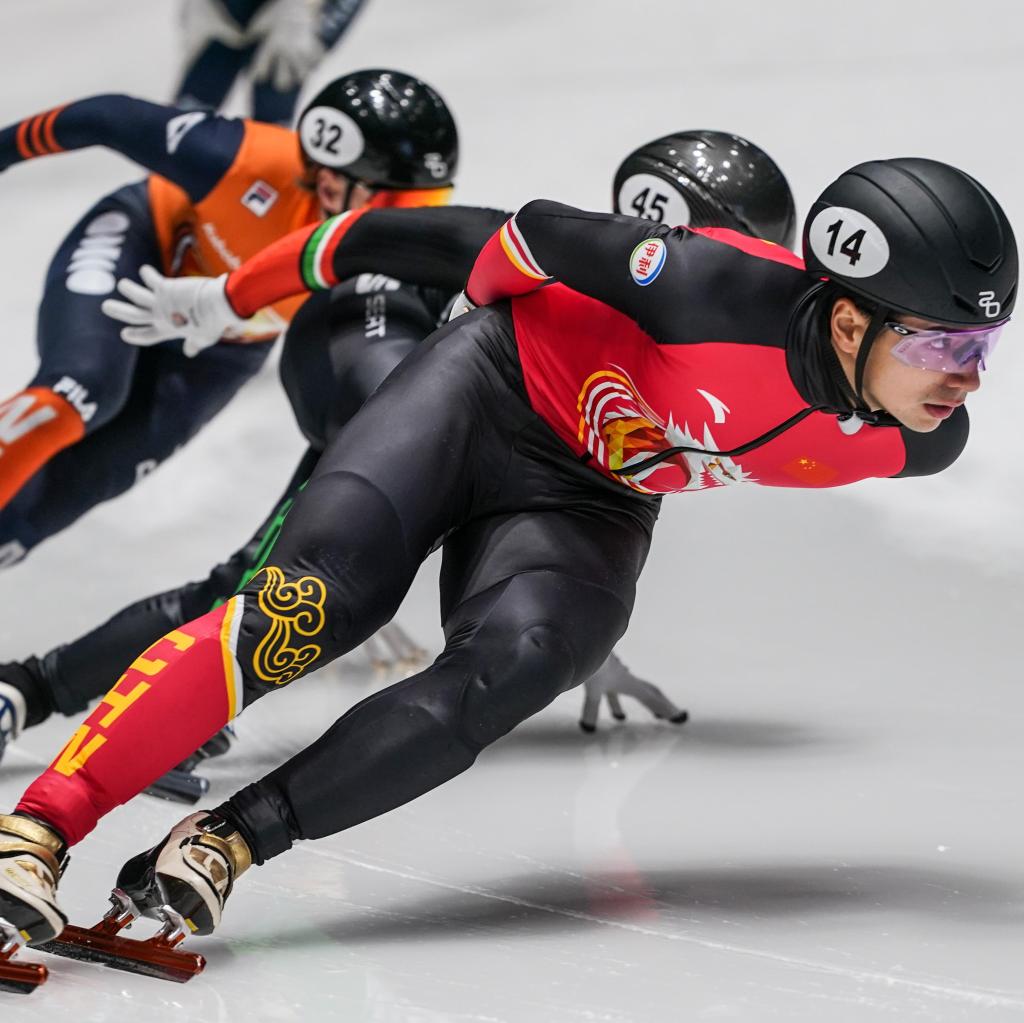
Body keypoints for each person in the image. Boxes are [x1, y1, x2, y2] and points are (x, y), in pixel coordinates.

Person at [0, 154, 1013, 953]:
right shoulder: (710, 284)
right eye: (943, 347)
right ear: (849, 320)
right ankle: (37, 827)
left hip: (592, 492)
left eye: (984, 348)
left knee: (525, 660)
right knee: (308, 610)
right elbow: (507, 234)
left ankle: (230, 837)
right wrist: (239, 292)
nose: (966, 379)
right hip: (483, 392)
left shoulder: (919, 438)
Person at [0, 130, 792, 769]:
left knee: (289, 574)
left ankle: (36, 688)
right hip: (371, 342)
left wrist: (582, 637)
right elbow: (358, 236)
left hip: (407, 362)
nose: (746, 310)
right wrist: (225, 296)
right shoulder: (581, 261)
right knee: (275, 585)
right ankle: (44, 692)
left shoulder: (657, 318)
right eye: (738, 279)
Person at [0, 68, 458, 570]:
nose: (407, 219)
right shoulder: (247, 161)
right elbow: (103, 116)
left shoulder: (398, 248)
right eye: (393, 202)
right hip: (143, 249)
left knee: (70, 491)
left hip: (225, 339)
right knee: (80, 389)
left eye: (425, 203)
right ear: (329, 177)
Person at [176, 0, 368, 125]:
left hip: (294, 15)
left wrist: (322, 36)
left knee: (275, 95)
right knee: (192, 109)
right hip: (225, 10)